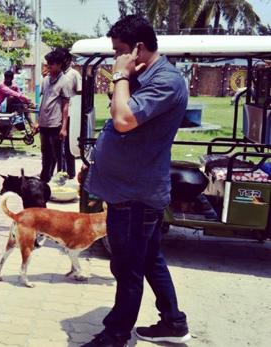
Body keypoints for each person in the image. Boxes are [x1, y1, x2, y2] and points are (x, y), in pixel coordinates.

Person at [81, 15, 191, 347]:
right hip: (126, 189)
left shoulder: (167, 82)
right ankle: (173, 322)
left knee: (127, 267)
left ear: (137, 49)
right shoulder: (144, 76)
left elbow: (124, 119)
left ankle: (115, 336)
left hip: (136, 195)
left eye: (118, 51)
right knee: (148, 258)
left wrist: (119, 75)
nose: (115, 58)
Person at [35, 48, 70, 183]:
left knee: (58, 154)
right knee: (45, 153)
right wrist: (38, 121)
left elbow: (66, 105)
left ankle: (61, 179)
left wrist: (64, 127)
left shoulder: (65, 81)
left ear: (60, 64)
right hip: (44, 123)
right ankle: (45, 179)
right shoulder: (45, 80)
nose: (49, 65)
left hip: (56, 123)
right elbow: (43, 101)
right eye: (48, 63)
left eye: (52, 63)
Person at [57, 49, 82, 179]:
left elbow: (80, 93)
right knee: (58, 145)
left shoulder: (74, 74)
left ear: (67, 60)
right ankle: (60, 170)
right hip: (58, 113)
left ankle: (70, 172)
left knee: (68, 145)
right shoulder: (59, 74)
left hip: (71, 112)